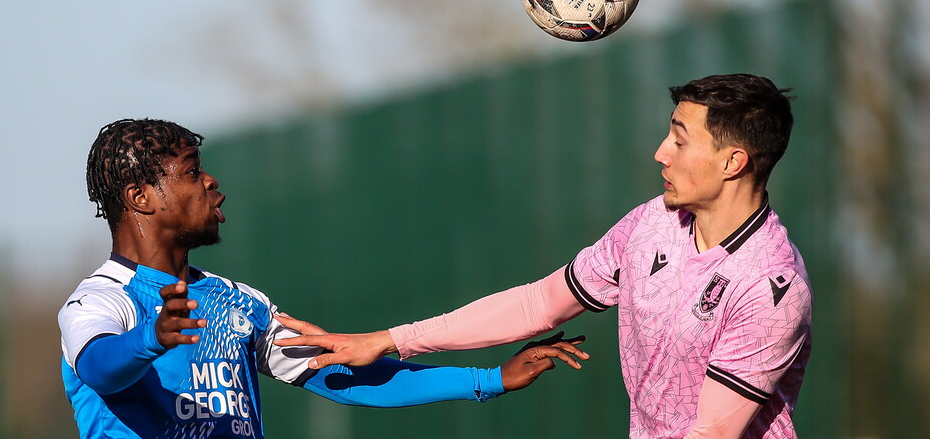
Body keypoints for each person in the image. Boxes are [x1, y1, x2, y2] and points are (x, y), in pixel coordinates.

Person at [275, 74, 814, 438]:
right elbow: (539, 306)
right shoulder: (653, 223)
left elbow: (711, 434)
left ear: (733, 161)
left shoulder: (770, 287)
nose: (660, 152)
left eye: (679, 139)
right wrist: (389, 340)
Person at [58, 118, 588, 439]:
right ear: (139, 197)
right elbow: (102, 368)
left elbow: (340, 375)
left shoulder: (236, 301)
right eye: (192, 171)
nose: (211, 180)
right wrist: (151, 338)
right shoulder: (101, 303)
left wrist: (487, 380)